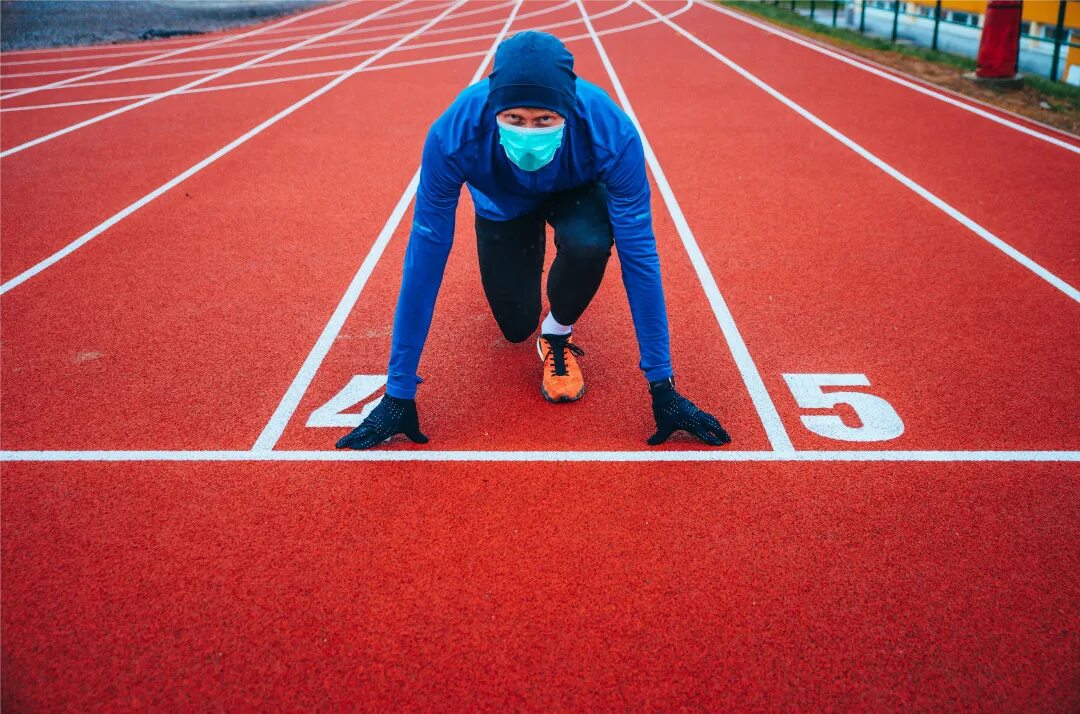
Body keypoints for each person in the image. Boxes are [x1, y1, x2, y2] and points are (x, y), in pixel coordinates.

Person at [336, 31, 730, 450]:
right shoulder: (451, 136)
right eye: (514, 120)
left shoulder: (612, 132)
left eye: (544, 120)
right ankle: (528, 295)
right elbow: (425, 258)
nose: (528, 132)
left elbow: (640, 256)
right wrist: (398, 393)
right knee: (514, 327)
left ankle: (557, 332)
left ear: (569, 109)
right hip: (502, 205)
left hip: (574, 193)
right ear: (492, 109)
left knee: (589, 243)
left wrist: (662, 387)